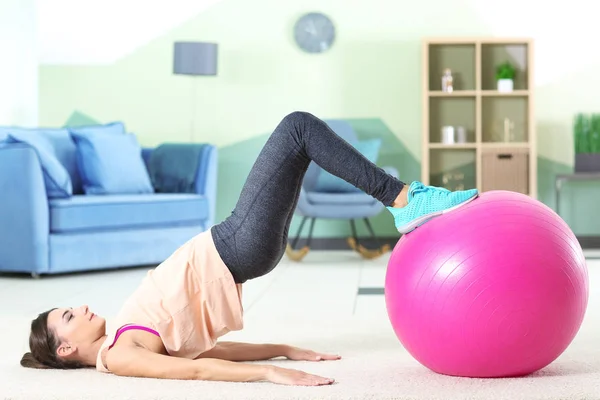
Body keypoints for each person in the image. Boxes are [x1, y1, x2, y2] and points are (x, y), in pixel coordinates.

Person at [20, 111, 478, 386]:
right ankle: (404, 199)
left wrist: (281, 349)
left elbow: (207, 355)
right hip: (236, 244)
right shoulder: (118, 356)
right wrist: (270, 374)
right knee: (297, 127)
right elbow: (194, 374)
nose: (79, 308)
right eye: (68, 317)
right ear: (65, 351)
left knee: (300, 142)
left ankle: (405, 199)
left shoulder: (123, 335)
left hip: (246, 249)